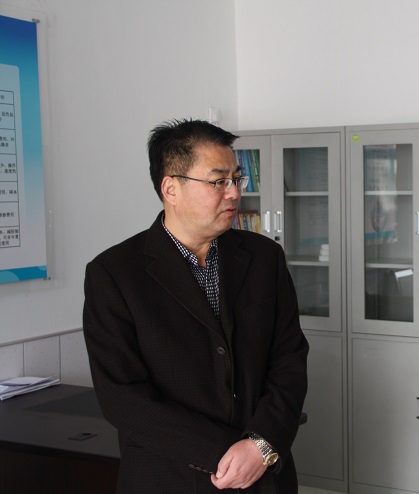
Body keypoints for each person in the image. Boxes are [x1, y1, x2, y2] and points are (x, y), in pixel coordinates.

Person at [83, 118, 309, 493]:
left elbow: (290, 358)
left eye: (237, 179)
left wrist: (261, 445)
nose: (234, 193)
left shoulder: (264, 257)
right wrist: (225, 455)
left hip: (264, 475)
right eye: (218, 181)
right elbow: (122, 397)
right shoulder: (115, 273)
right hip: (170, 477)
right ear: (171, 188)